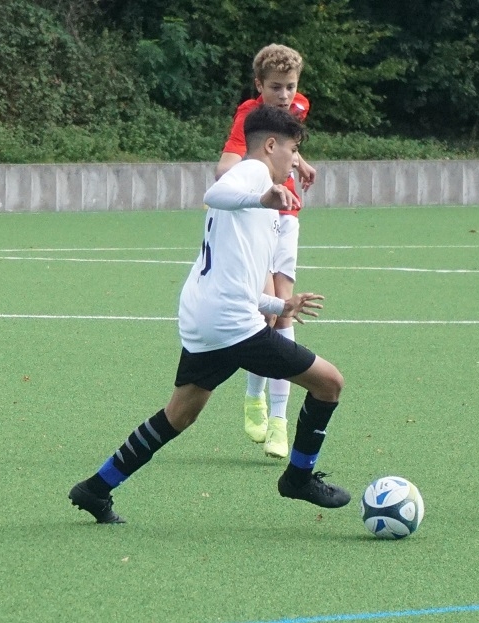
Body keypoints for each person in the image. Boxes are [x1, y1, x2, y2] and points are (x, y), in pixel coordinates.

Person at [68, 105, 350, 524]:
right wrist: (261, 197)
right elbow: (214, 193)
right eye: (292, 150)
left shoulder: (260, 194)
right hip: (229, 324)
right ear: (271, 145)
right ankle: (298, 478)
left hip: (206, 315)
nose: (295, 160)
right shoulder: (253, 174)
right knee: (329, 384)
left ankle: (95, 488)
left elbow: (237, 283)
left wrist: (281, 306)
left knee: (179, 414)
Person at [215, 44, 318, 459]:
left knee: (285, 310)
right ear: (259, 85)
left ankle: (279, 421)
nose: (285, 95)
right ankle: (253, 397)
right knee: (268, 312)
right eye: (276, 87)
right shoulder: (249, 116)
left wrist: (299, 161)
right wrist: (258, 187)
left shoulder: (300, 106)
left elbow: (282, 144)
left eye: (290, 87)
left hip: (288, 215)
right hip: (259, 216)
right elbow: (227, 166)